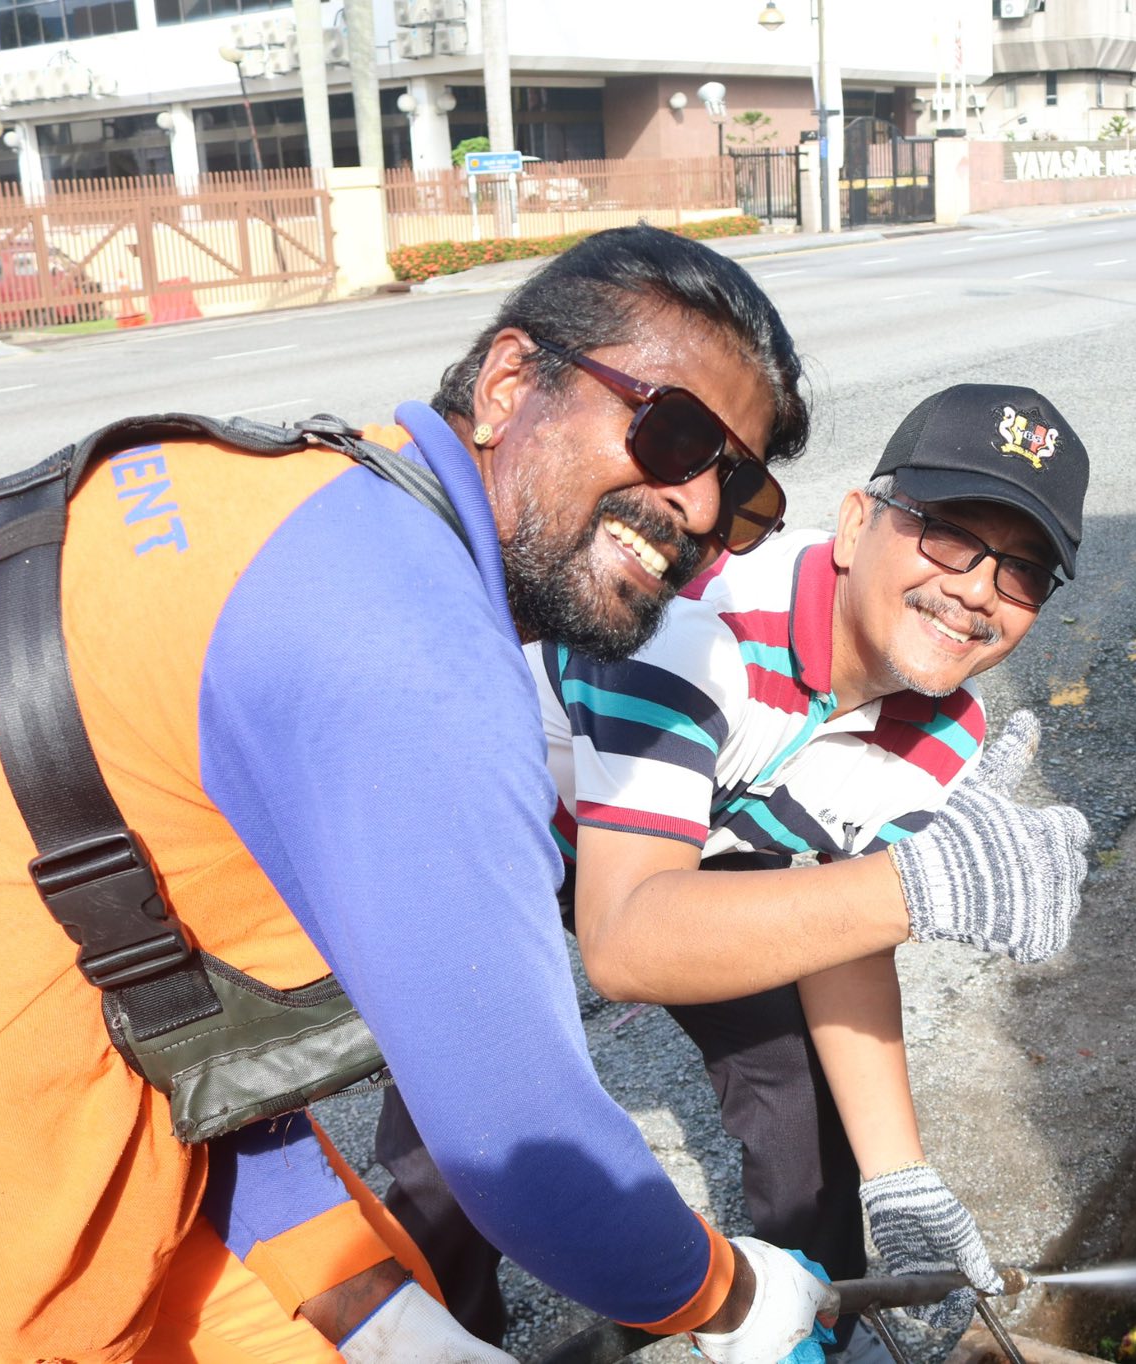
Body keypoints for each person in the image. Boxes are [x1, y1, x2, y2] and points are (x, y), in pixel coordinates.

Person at [0, 225, 846, 1364]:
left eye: (740, 494)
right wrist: (729, 1295)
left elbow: (178, 1007)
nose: (692, 507)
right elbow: (515, 1133)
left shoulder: (313, 501)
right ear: (507, 382)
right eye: (672, 431)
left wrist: (376, 1314)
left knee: (377, 1287)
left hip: (19, 1105)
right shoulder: (410, 649)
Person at [377, 384, 1095, 1352]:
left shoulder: (945, 724)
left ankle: (813, 1314)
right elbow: (624, 944)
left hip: (695, 840)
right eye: (946, 533)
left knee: (805, 1105)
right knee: (466, 1139)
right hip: (510, 819)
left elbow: (844, 921)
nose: (975, 587)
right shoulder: (696, 626)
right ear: (852, 522)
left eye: (1021, 570)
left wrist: (902, 1177)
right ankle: (425, 1331)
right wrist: (915, 884)